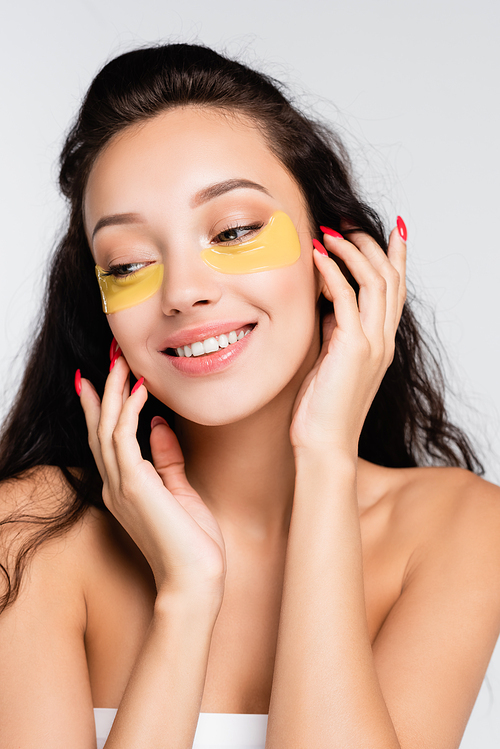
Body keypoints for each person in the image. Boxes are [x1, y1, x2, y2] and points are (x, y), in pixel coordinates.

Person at [0, 42, 499, 749]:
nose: (182, 292)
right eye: (130, 262)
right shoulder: (30, 530)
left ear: (333, 252)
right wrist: (184, 601)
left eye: (234, 230)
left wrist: (324, 457)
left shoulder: (460, 527)